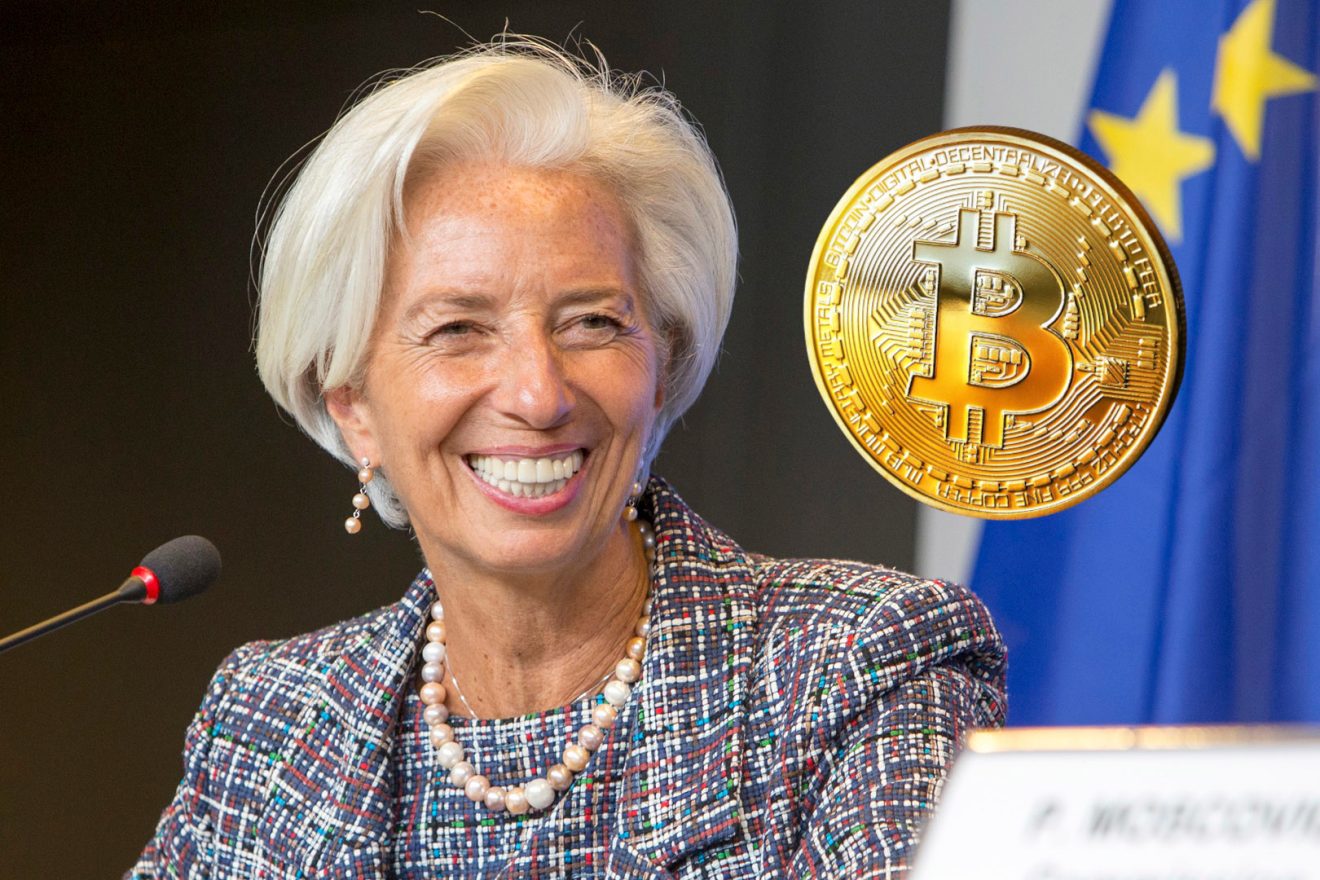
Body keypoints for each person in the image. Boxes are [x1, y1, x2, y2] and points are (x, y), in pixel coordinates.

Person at [129, 40, 1006, 879]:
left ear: (661, 366)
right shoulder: (272, 721)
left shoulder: (856, 668)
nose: (538, 394)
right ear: (353, 406)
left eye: (591, 322)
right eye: (458, 330)